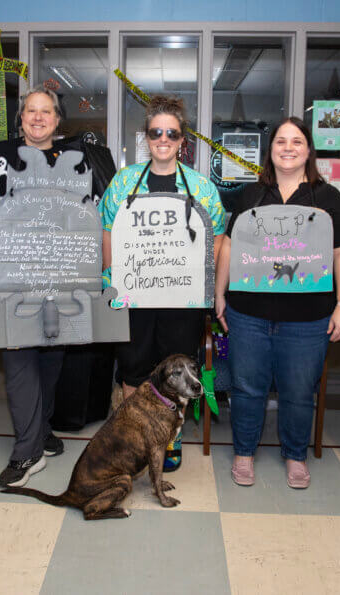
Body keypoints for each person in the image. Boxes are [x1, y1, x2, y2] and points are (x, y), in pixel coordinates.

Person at [0, 85, 108, 487]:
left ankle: (42, 429)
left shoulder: (79, 162)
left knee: (51, 358)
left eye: (47, 111)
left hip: (62, 278)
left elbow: (94, 218)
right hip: (13, 279)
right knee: (19, 359)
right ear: (21, 118)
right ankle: (27, 451)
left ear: (58, 121)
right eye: (31, 111)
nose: (39, 117)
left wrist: (87, 272)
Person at [214, 118, 340, 489]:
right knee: (246, 388)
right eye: (281, 141)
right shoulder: (250, 196)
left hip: (308, 320)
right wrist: (218, 293)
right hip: (248, 315)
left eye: (297, 141)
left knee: (298, 391)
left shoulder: (328, 198)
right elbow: (229, 246)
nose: (288, 148)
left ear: (309, 150)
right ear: (270, 150)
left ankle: (295, 455)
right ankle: (244, 453)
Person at [100, 94, 226, 472]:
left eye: (171, 132)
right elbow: (107, 232)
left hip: (181, 300)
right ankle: (131, 440)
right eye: (156, 131)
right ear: (146, 136)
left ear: (182, 139)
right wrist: (113, 281)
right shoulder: (123, 183)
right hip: (133, 298)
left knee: (176, 371)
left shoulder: (201, 188)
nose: (163, 138)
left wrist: (203, 283)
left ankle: (170, 441)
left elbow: (217, 238)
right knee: (134, 369)